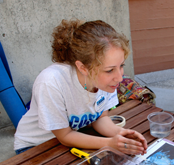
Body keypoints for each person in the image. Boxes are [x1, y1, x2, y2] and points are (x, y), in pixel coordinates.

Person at [14, 19, 147, 155]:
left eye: (121, 66)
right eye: (109, 70)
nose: (119, 78)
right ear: (83, 68)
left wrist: (120, 134)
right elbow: (64, 136)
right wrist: (109, 143)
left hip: (72, 139)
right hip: (35, 147)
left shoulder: (107, 82)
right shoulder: (51, 82)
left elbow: (100, 117)